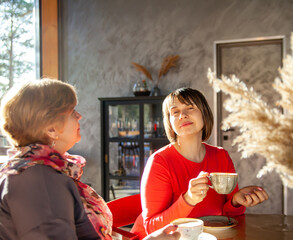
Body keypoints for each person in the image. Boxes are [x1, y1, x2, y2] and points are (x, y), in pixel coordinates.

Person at [0, 79, 179, 240]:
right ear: (51, 129)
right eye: (72, 112)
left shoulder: (40, 170)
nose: (79, 116)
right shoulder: (38, 179)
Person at [131, 88, 269, 239]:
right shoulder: (159, 162)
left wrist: (236, 201)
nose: (182, 115)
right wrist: (188, 199)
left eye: (190, 108)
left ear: (204, 114)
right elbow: (151, 227)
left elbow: (227, 217)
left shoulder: (221, 156)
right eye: (175, 112)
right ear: (169, 123)